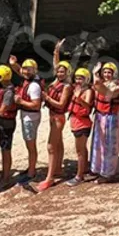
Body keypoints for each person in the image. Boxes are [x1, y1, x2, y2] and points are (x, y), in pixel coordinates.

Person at [41, 44, 73, 192]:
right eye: (58, 71)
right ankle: (58, 169)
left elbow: (61, 105)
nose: (59, 73)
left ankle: (50, 177)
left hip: (58, 117)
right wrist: (56, 51)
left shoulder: (66, 86)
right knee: (58, 144)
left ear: (67, 73)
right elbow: (56, 65)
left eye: (62, 72)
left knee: (51, 147)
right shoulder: (57, 80)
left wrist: (46, 97)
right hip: (52, 116)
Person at [90, 62, 119, 182]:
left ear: (114, 74)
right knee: (99, 145)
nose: (107, 74)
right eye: (104, 72)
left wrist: (95, 76)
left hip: (111, 118)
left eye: (109, 72)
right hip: (100, 117)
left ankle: (108, 173)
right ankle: (99, 169)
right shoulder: (101, 84)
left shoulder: (117, 87)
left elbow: (107, 93)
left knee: (109, 147)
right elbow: (97, 86)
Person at [0, 65, 19, 186]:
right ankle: (4, 174)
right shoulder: (5, 90)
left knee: (6, 150)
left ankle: (6, 178)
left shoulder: (8, 92)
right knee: (3, 148)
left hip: (7, 125)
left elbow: (1, 111)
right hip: (3, 124)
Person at [15, 59, 44, 185]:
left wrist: (21, 102)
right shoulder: (29, 79)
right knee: (29, 145)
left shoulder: (34, 86)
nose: (26, 71)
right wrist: (13, 64)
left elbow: (36, 105)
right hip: (26, 116)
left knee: (31, 146)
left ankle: (31, 172)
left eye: (29, 69)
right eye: (25, 69)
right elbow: (19, 71)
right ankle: (30, 167)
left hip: (30, 118)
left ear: (34, 70)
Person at [66, 68, 95, 187]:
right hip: (76, 122)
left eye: (81, 78)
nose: (78, 80)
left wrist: (78, 98)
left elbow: (87, 108)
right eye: (77, 78)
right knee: (83, 149)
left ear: (86, 79)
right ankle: (84, 169)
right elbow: (64, 74)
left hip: (82, 124)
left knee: (80, 151)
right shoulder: (76, 88)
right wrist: (56, 55)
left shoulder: (87, 91)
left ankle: (79, 176)